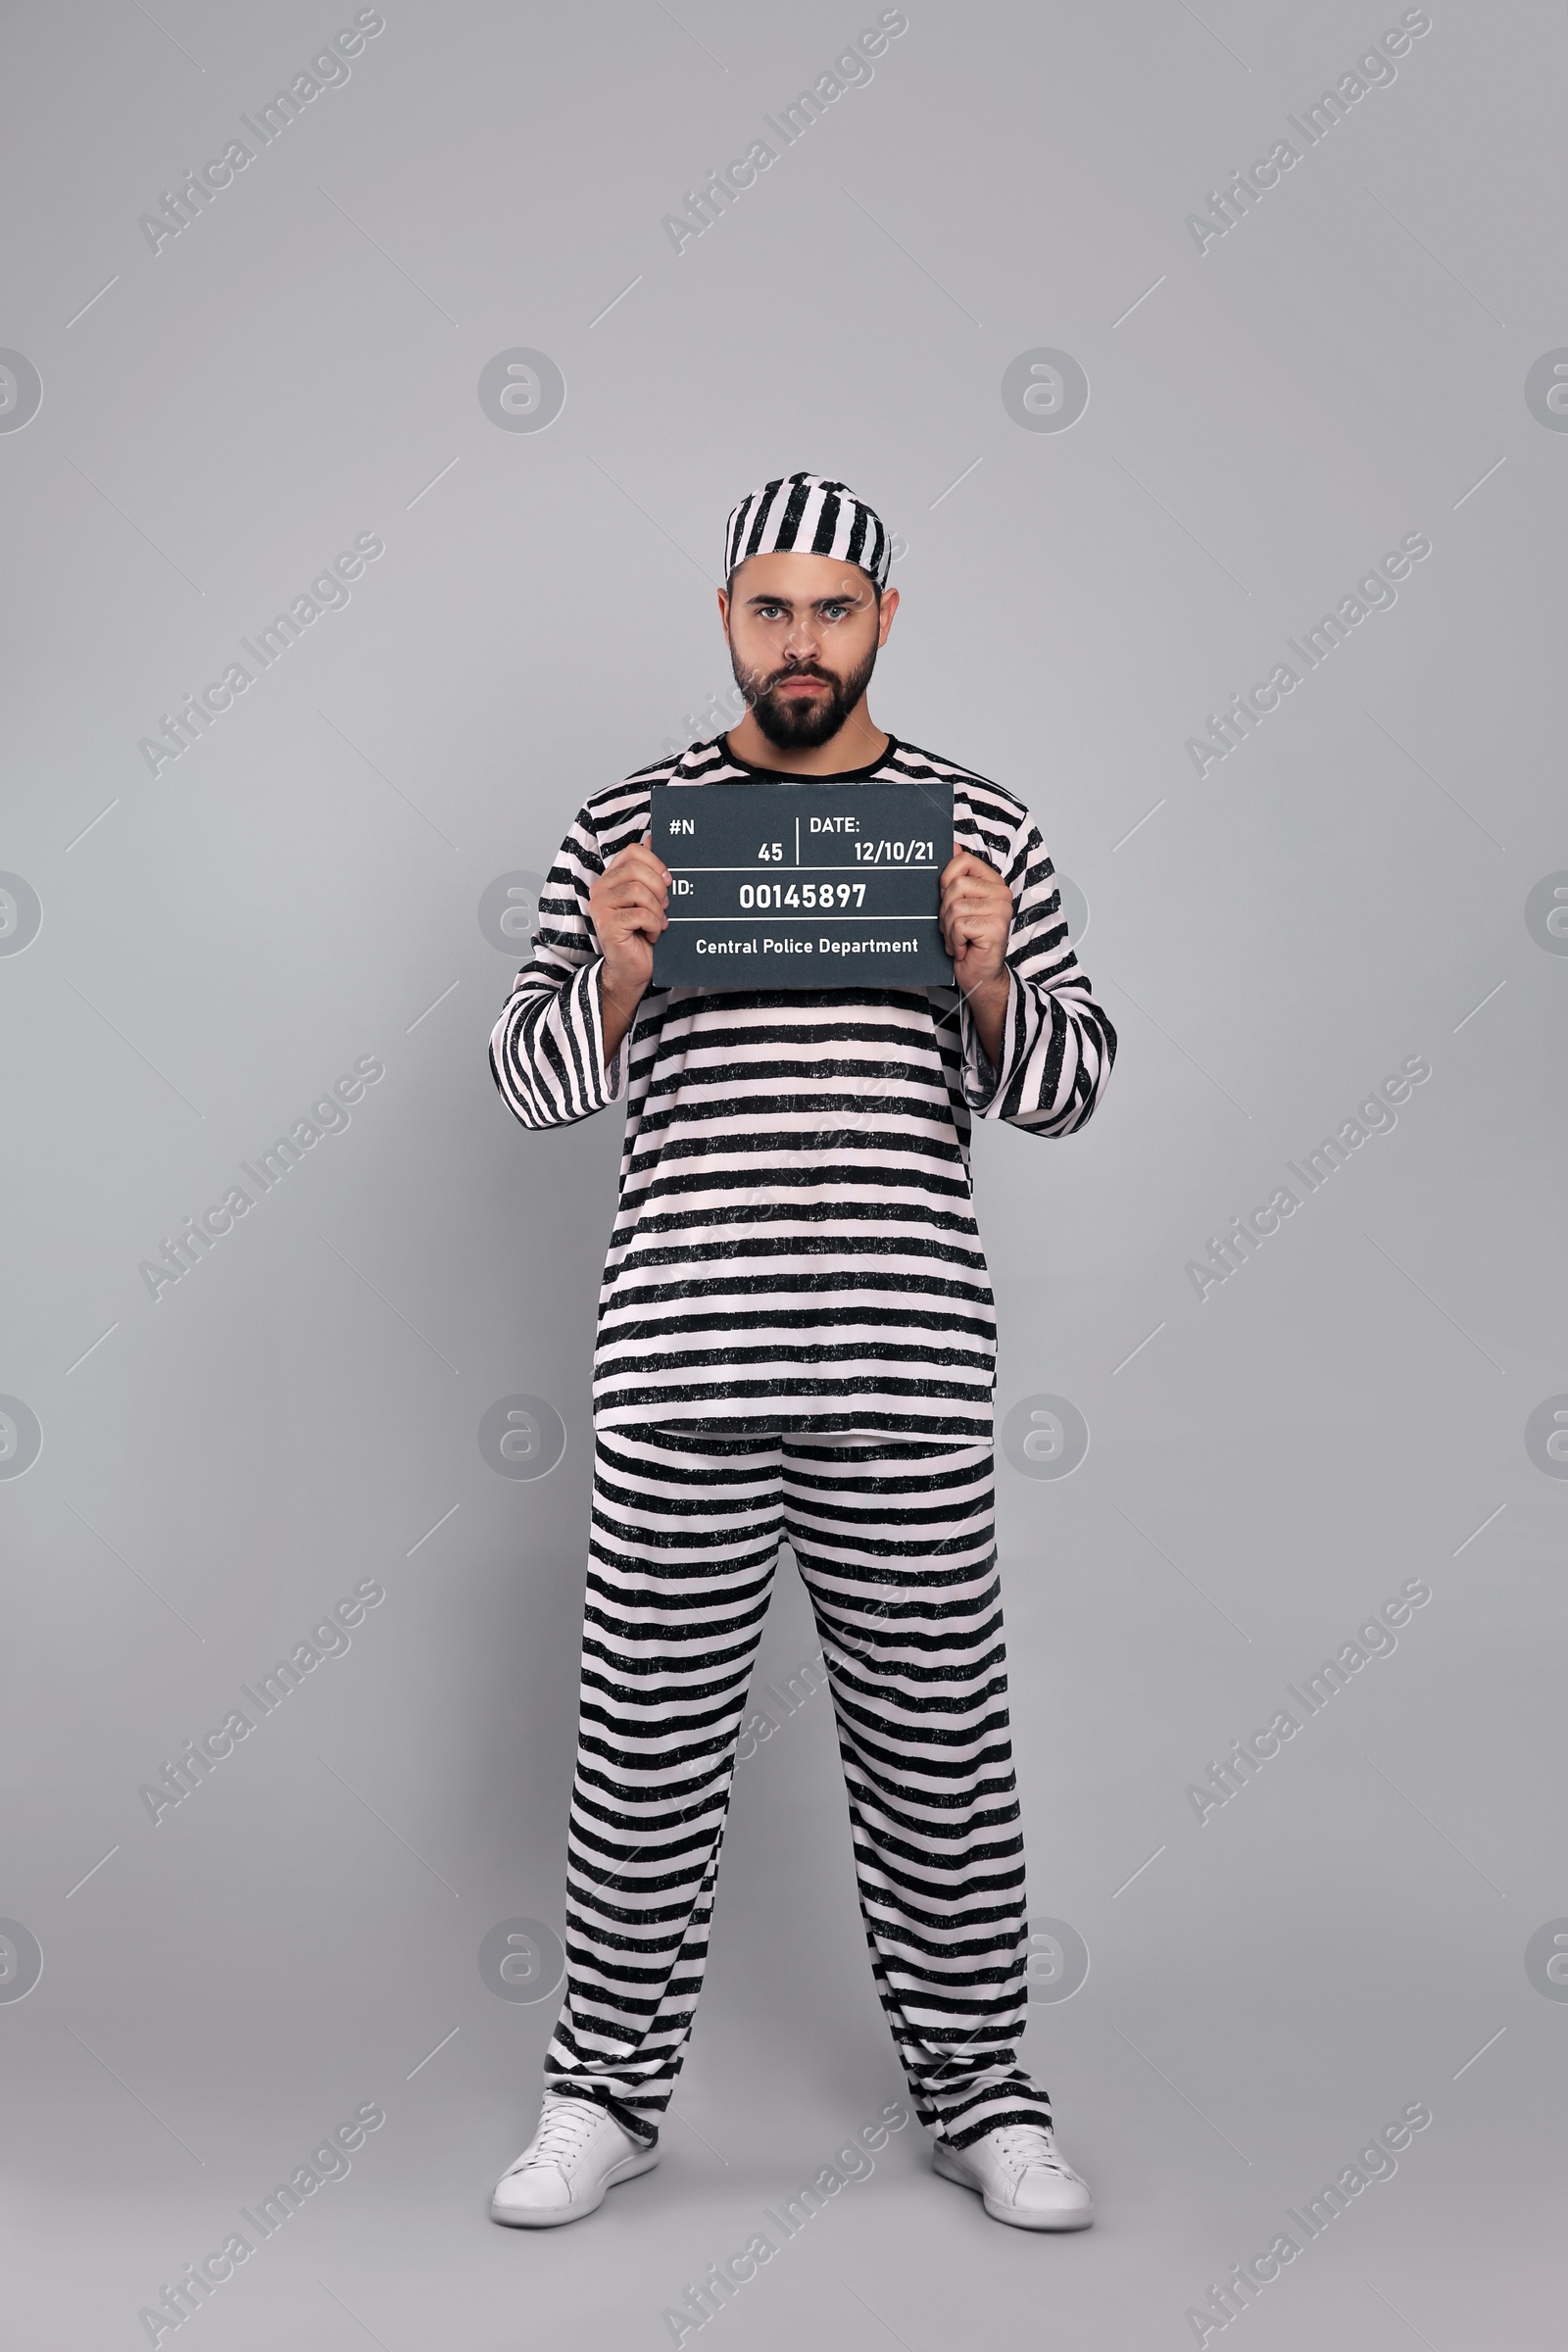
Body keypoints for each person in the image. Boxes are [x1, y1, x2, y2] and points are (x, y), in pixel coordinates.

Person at [485, 471, 1116, 2232]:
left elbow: (1067, 1090)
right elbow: (529, 1085)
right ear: (728, 618)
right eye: (773, 608)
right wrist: (611, 978)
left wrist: (992, 978)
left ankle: (987, 2097)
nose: (803, 641)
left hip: (903, 1365)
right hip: (682, 1366)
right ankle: (599, 2099)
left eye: (837, 610)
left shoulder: (977, 827)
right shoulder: (630, 825)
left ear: (886, 623)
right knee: (643, 1757)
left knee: (940, 1754)